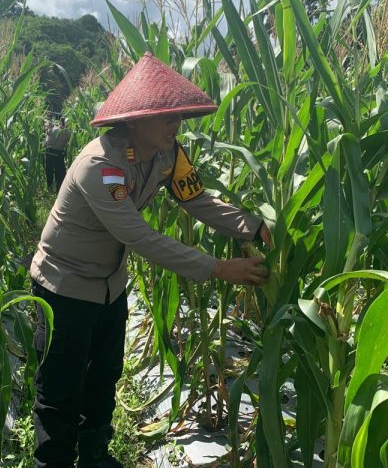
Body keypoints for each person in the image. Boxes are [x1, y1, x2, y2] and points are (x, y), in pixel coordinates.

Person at [29, 52, 272, 468]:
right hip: (64, 286)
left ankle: (95, 455)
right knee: (61, 387)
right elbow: (137, 235)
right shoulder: (99, 166)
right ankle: (53, 462)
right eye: (167, 117)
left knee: (104, 376)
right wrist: (217, 268)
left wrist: (252, 226)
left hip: (109, 286)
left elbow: (196, 199)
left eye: (178, 116)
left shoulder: (167, 154)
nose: (176, 125)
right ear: (137, 119)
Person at [45, 116, 72, 192]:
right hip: (59, 154)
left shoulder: (53, 129)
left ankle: (49, 186)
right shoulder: (68, 133)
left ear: (60, 122)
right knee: (60, 173)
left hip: (49, 152)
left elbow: (47, 132)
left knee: (49, 170)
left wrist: (50, 126)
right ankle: (59, 189)